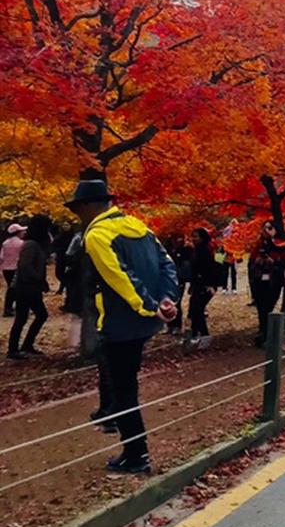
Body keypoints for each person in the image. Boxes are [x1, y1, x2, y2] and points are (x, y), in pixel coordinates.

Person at [66, 179, 177, 475]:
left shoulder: (98, 235)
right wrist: (166, 300)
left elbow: (119, 276)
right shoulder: (140, 227)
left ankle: (136, 454)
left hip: (118, 322)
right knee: (126, 386)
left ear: (90, 206)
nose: (79, 214)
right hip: (144, 323)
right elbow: (167, 264)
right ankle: (132, 449)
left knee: (124, 390)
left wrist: (150, 304)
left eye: (79, 208)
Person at [7, 214, 52, 359]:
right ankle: (17, 348)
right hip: (27, 287)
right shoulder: (31, 245)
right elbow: (25, 266)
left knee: (25, 317)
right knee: (33, 316)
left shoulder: (33, 244)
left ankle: (20, 346)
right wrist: (39, 279)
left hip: (28, 287)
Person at [248, 221, 285, 348]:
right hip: (259, 280)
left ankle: (267, 335)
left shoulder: (282, 244)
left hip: (274, 281)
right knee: (261, 308)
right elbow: (251, 262)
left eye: (269, 228)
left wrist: (273, 262)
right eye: (264, 227)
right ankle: (263, 333)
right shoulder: (259, 244)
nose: (266, 230)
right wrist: (257, 261)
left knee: (268, 307)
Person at [188, 228, 221, 348]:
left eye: (196, 236)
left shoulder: (207, 250)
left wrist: (211, 284)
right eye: (193, 236)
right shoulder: (196, 250)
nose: (193, 239)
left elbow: (213, 268)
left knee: (198, 309)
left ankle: (203, 335)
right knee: (194, 309)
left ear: (202, 237)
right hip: (198, 284)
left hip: (206, 285)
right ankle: (195, 334)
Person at [1, 222, 25, 317]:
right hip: (16, 268)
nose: (23, 232)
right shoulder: (21, 243)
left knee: (11, 288)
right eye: (21, 231)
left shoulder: (5, 243)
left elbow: (1, 257)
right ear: (17, 232)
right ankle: (11, 309)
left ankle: (9, 307)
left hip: (6, 269)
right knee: (17, 289)